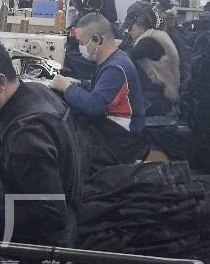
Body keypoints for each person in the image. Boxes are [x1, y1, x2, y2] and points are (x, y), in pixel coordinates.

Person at [0, 38, 84, 246]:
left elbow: (53, 215)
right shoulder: (37, 92)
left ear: (0, 83)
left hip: (34, 247)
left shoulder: (26, 135)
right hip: (48, 220)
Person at [52, 12, 147, 165]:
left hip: (120, 140)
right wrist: (78, 83)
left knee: (63, 143)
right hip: (113, 130)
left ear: (97, 39)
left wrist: (68, 88)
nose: (81, 48)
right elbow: (98, 90)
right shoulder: (116, 59)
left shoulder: (115, 68)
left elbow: (94, 106)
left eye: (82, 43)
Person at [123, 2, 181, 116]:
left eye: (130, 27)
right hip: (157, 96)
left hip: (155, 101)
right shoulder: (155, 35)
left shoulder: (150, 41)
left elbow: (126, 57)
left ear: (141, 26)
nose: (128, 31)